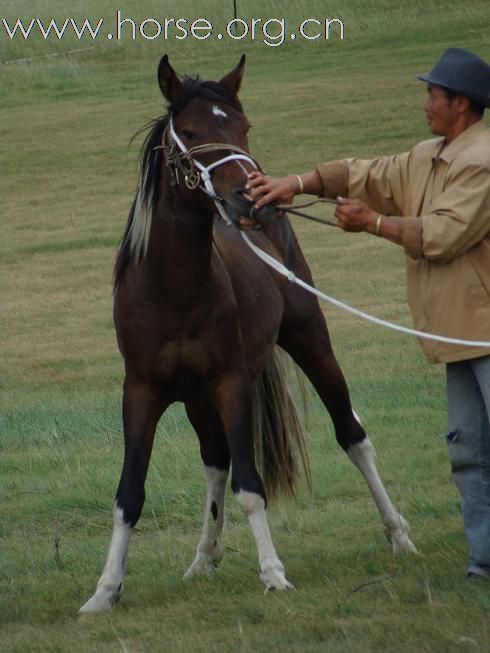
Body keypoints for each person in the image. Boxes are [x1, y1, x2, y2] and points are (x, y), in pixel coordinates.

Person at [246, 47, 490, 580]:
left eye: (433, 93)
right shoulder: (430, 155)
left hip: (487, 335)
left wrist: (375, 225)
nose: (425, 101)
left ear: (462, 103)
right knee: (469, 453)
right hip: (461, 336)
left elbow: (445, 235)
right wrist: (296, 183)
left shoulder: (482, 162)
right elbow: (367, 173)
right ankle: (483, 563)